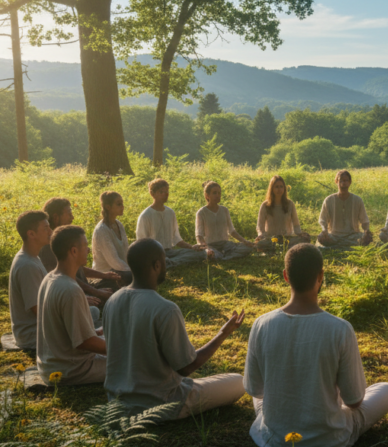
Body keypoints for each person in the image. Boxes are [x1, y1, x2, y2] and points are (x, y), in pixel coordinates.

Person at [244, 244, 388, 447]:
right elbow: (354, 402)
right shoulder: (340, 328)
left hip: (274, 438)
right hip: (329, 441)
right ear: (321, 276)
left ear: (285, 276)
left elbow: (255, 391)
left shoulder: (261, 324)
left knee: (261, 398)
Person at [104, 239, 247, 419]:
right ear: (157, 265)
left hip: (118, 402)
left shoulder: (112, 301)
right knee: (238, 381)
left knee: (197, 383)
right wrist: (223, 333)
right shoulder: (164, 308)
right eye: (164, 261)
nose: (166, 266)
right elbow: (186, 368)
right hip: (161, 403)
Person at [36, 225, 107, 386]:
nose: (88, 250)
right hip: (73, 369)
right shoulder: (71, 290)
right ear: (74, 251)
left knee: (113, 337)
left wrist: (96, 332)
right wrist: (124, 346)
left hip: (52, 364)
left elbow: (66, 332)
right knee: (137, 357)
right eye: (85, 245)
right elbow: (85, 343)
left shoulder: (50, 278)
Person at [41, 197, 119, 306]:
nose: (72, 217)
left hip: (83, 287)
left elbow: (78, 267)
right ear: (55, 217)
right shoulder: (49, 246)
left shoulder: (64, 238)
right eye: (69, 213)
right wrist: (97, 292)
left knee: (114, 281)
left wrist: (104, 275)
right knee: (114, 297)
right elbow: (67, 276)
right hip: (73, 294)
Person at [135, 179, 208, 267]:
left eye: (167, 191)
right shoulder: (145, 215)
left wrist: (192, 247)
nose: (165, 194)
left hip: (170, 252)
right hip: (154, 254)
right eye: (161, 192)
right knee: (157, 260)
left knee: (201, 254)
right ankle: (165, 263)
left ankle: (169, 263)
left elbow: (176, 239)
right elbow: (142, 243)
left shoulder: (170, 212)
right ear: (152, 193)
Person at [9, 210, 51, 349]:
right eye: (45, 228)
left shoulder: (33, 257)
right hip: (31, 335)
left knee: (90, 311)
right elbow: (38, 309)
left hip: (40, 327)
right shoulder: (27, 265)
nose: (50, 231)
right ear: (31, 234)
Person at [195, 181, 255, 260]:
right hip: (211, 245)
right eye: (214, 193)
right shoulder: (201, 212)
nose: (217, 195)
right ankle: (221, 256)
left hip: (226, 245)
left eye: (219, 193)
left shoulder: (224, 210)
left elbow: (232, 231)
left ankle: (222, 257)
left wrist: (245, 241)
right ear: (207, 196)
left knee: (247, 248)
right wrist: (206, 249)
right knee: (210, 254)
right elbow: (199, 235)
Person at [316, 170, 373, 249]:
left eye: (346, 180)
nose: (344, 183)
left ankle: (337, 246)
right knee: (321, 237)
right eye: (341, 180)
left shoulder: (357, 200)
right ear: (336, 182)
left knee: (366, 238)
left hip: (353, 235)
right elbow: (322, 220)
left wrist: (366, 231)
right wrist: (324, 230)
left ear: (350, 182)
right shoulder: (329, 200)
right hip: (334, 235)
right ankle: (347, 245)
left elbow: (364, 220)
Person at [255, 175, 310, 250]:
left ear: (284, 188)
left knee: (305, 239)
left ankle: (281, 248)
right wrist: (261, 235)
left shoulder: (290, 204)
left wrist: (300, 234)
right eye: (276, 187)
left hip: (287, 239)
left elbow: (296, 224)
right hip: (271, 239)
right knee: (260, 244)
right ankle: (278, 248)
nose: (279, 189)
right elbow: (260, 226)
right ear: (272, 189)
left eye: (281, 187)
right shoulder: (265, 205)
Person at [91, 191, 132, 288]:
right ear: (108, 207)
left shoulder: (119, 224)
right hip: (105, 276)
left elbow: (126, 252)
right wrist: (134, 271)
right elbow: (115, 262)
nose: (122, 206)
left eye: (122, 203)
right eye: (118, 204)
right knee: (133, 277)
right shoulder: (102, 231)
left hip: (122, 270)